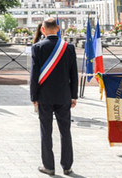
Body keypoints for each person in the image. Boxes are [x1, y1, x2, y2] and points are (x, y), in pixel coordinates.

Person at [30, 18, 77, 176]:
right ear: (58, 28)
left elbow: (34, 75)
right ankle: (67, 166)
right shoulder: (68, 48)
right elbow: (74, 74)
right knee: (65, 131)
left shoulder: (37, 47)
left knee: (46, 131)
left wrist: (33, 96)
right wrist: (74, 96)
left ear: (43, 30)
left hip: (44, 96)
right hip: (64, 96)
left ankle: (48, 166)